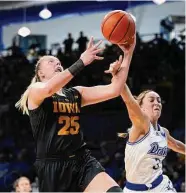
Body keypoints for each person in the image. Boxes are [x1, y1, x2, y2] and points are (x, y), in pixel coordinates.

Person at [15, 36, 136, 192]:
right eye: (51, 61)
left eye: (58, 61)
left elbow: (114, 90)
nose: (57, 63)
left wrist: (128, 54)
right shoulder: (35, 90)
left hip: (82, 160)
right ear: (40, 73)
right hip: (53, 167)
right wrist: (82, 62)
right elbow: (49, 89)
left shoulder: (75, 93)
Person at [106, 61, 185, 192]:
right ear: (141, 107)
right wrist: (118, 76)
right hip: (136, 190)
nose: (157, 103)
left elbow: (176, 145)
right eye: (152, 100)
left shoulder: (163, 132)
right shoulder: (141, 125)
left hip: (161, 186)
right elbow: (129, 101)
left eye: (159, 100)